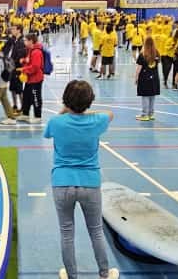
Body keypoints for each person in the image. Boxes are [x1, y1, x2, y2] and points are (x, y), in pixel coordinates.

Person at [43, 80, 119, 279]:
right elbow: (110, 114)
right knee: (96, 231)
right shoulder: (97, 121)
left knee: (67, 233)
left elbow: (46, 133)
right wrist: (87, 111)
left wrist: (66, 109)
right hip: (90, 183)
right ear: (89, 102)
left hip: (62, 182)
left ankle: (71, 275)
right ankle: (104, 274)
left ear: (66, 101)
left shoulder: (56, 122)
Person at [17, 34, 45, 124]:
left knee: (36, 97)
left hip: (36, 79)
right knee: (26, 96)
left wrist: (23, 69)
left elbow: (35, 67)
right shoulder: (30, 50)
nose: (24, 42)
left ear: (31, 41)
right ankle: (25, 114)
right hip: (29, 79)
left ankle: (38, 116)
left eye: (25, 40)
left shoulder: (36, 52)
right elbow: (30, 61)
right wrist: (24, 60)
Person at [135, 36, 160, 121]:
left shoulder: (143, 54)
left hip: (145, 77)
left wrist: (136, 77)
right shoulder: (157, 53)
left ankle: (144, 115)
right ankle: (151, 114)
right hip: (155, 77)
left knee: (145, 96)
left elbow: (139, 68)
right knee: (152, 95)